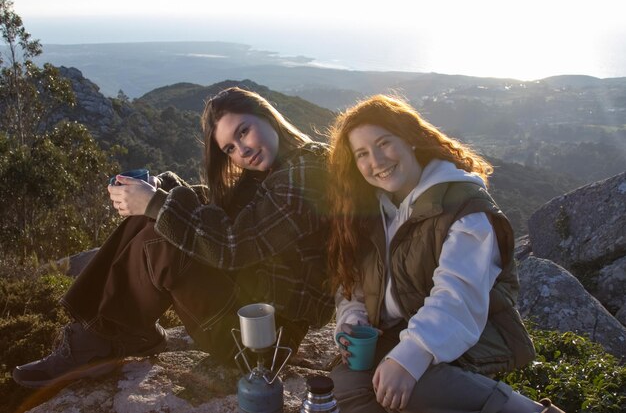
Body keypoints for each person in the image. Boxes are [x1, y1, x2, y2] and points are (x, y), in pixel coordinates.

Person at [13, 87, 334, 388]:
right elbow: (221, 211)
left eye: (243, 131)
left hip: (262, 342)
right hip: (246, 313)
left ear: (267, 114)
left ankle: (103, 340)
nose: (243, 150)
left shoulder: (308, 172)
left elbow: (236, 244)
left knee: (160, 231)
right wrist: (163, 189)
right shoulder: (274, 171)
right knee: (155, 218)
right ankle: (103, 334)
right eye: (230, 149)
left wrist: (156, 203)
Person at [326, 95, 566, 413]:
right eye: (362, 154)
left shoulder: (466, 208)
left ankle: (525, 410)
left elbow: (458, 298)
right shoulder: (373, 209)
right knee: (345, 386)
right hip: (400, 330)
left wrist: (410, 357)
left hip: (471, 331)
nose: (377, 160)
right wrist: (352, 320)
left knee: (416, 383)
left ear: (410, 139)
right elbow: (354, 284)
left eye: (384, 143)